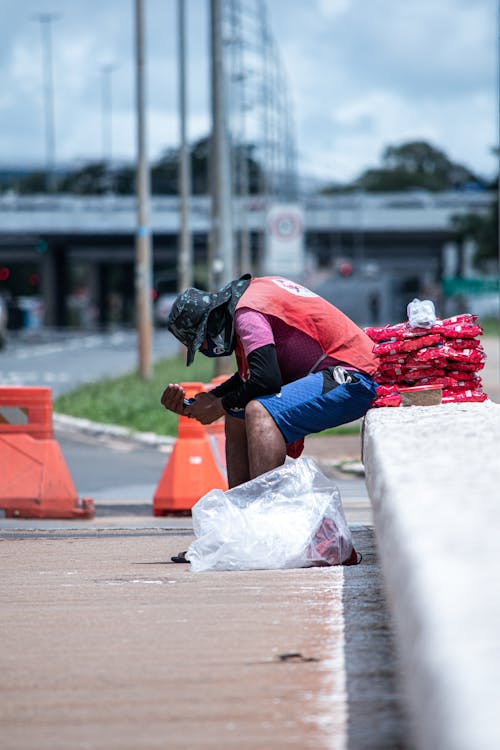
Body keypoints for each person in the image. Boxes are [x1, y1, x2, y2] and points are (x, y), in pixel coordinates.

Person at [161, 274, 379, 493]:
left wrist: (217, 406)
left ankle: (266, 510)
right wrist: (210, 398)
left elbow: (266, 379)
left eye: (202, 342)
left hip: (355, 375)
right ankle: (243, 507)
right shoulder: (248, 297)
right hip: (337, 371)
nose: (204, 349)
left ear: (212, 321)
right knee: (237, 412)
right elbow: (252, 376)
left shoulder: (247, 313)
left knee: (258, 411)